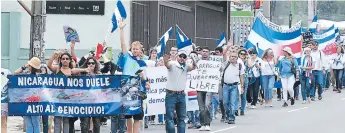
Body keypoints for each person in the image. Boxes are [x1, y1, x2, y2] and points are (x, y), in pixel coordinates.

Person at [117, 19, 147, 133]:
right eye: (133, 49)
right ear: (131, 49)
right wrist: (121, 29)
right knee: (128, 116)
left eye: (137, 49)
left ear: (140, 50)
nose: (135, 50)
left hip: (138, 91)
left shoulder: (143, 62)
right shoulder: (127, 57)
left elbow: (145, 79)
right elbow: (122, 44)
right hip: (126, 89)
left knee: (137, 116)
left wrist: (142, 76)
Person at [163, 50, 195, 133]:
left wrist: (195, 59)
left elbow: (193, 67)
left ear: (186, 58)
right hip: (171, 95)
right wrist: (166, 61)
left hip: (181, 95)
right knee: (169, 118)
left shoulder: (186, 66)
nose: (182, 58)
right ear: (177, 56)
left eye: (184, 57)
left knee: (182, 118)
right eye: (180, 56)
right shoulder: (173, 64)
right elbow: (168, 65)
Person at [14, 57, 42, 133]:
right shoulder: (27, 74)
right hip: (27, 102)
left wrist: (25, 66)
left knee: (34, 123)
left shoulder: (39, 76)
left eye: (29, 65)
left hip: (35, 102)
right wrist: (25, 66)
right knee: (31, 123)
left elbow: (15, 73)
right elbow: (15, 73)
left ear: (31, 66)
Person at [48, 51, 74, 133]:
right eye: (63, 59)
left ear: (69, 60)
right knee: (57, 120)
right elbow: (49, 65)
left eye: (67, 59)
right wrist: (54, 55)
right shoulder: (57, 69)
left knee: (66, 120)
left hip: (68, 99)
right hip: (57, 98)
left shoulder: (72, 71)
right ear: (60, 60)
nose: (65, 60)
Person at [221, 50, 245, 124]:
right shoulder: (226, 63)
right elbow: (224, 54)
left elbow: (241, 76)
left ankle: (231, 117)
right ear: (229, 57)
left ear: (237, 58)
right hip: (225, 86)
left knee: (233, 102)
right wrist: (228, 47)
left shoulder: (240, 66)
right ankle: (228, 115)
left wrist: (242, 86)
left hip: (234, 86)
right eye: (232, 56)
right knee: (225, 102)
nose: (233, 58)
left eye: (235, 56)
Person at [197, 46, 212, 131]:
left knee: (207, 105)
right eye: (203, 51)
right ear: (201, 53)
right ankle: (202, 124)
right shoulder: (197, 63)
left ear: (209, 54)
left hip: (209, 87)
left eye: (206, 51)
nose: (205, 53)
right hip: (199, 87)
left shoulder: (213, 64)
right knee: (201, 107)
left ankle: (207, 124)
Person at [1, 68, 11, 133]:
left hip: (3, 102)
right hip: (4, 102)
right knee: (4, 124)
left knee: (3, 124)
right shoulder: (6, 71)